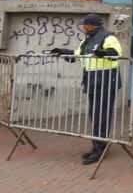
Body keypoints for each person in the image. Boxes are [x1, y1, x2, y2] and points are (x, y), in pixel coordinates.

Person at [51, 14, 124, 164]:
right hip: (92, 80)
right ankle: (98, 145)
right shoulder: (87, 39)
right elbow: (78, 55)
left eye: (85, 24)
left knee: (101, 116)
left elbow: (116, 53)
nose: (83, 27)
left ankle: (99, 149)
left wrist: (103, 53)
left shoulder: (108, 37)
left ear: (92, 25)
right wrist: (63, 51)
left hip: (106, 81)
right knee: (94, 115)